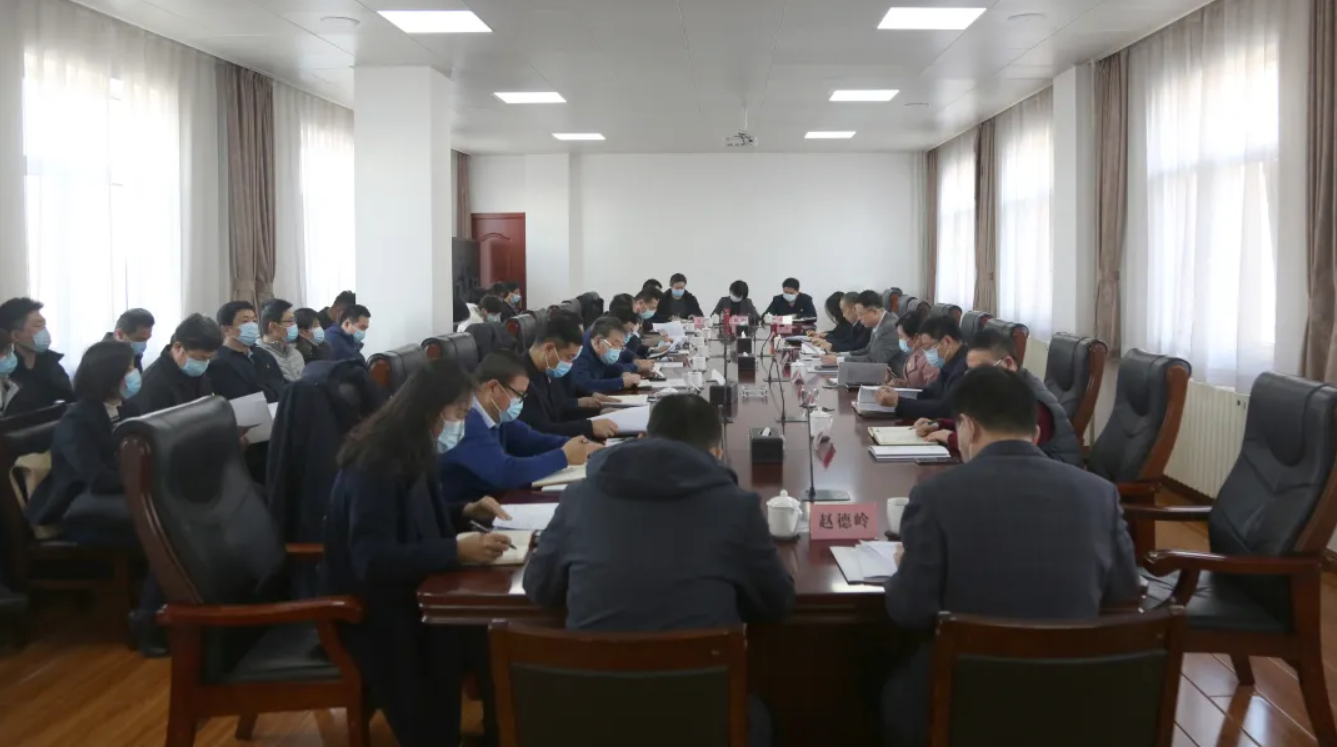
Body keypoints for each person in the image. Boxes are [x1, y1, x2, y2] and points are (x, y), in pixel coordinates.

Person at [880, 366, 1140, 747]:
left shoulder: (935, 497)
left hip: (962, 702)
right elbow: (1123, 595)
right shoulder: (1100, 494)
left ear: (967, 428)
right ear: (1034, 433)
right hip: (1072, 701)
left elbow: (908, 610)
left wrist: (905, 565)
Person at [524, 393, 793, 747]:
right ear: (716, 454)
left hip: (593, 721)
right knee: (766, 713)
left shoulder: (578, 497)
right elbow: (776, 602)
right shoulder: (736, 507)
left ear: (643, 438)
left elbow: (539, 587)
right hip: (701, 725)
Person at [323, 358, 513, 747]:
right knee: (474, 632)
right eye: (460, 412)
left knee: (493, 631)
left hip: (412, 591)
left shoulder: (408, 444)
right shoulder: (376, 463)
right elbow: (373, 559)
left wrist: (464, 511)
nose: (462, 422)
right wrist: (455, 550)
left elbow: (409, 517)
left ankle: (503, 731)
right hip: (376, 613)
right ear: (432, 410)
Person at [26, 341, 167, 656]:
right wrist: (149, 479)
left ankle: (174, 611)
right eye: (128, 369)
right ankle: (148, 620)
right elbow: (98, 478)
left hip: (121, 499)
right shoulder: (77, 420)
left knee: (178, 523)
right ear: (108, 375)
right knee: (164, 531)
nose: (134, 374)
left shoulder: (128, 408)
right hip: (80, 509)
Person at [436, 351, 601, 504]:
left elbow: (532, 439)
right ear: (493, 388)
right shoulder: (467, 420)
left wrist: (582, 446)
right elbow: (506, 472)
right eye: (518, 394)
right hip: (463, 514)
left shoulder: (497, 415)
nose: (520, 401)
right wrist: (563, 456)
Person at [913, 328, 1082, 467]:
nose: (974, 378)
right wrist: (939, 424)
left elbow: (1007, 450)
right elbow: (989, 425)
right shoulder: (1004, 390)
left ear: (1008, 363)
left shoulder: (1033, 402)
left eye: (981, 370)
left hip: (1055, 480)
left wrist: (950, 437)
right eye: (969, 370)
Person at [518, 316, 620, 440]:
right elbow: (541, 431)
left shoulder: (548, 369)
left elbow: (561, 411)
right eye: (569, 357)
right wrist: (589, 427)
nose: (570, 364)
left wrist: (598, 413)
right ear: (549, 349)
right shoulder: (520, 379)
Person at [875, 315, 967, 420]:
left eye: (928, 348)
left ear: (947, 341)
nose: (926, 354)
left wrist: (899, 402)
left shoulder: (965, 367)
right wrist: (899, 392)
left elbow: (946, 409)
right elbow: (929, 393)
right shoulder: (949, 365)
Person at [131, 313, 222, 415]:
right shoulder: (153, 385)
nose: (203, 364)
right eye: (199, 358)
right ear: (178, 347)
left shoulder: (194, 372)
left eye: (208, 359)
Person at [0, 297, 74, 417]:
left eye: (44, 325)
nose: (44, 331)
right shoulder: (5, 369)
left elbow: (71, 401)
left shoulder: (51, 364)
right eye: (38, 325)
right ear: (16, 336)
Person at [207, 300, 286, 403]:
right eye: (245, 321)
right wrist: (271, 391)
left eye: (254, 320)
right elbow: (244, 399)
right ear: (227, 330)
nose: (252, 325)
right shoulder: (219, 362)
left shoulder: (262, 353)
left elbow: (281, 384)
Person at [821, 290, 903, 372]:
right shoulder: (878, 322)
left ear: (874, 312)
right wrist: (839, 355)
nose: (859, 318)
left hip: (894, 375)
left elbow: (874, 360)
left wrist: (838, 360)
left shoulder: (889, 327)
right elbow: (867, 350)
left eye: (860, 314)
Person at [570, 316, 642, 395]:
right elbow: (584, 385)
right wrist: (622, 382)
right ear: (598, 341)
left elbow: (605, 368)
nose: (617, 350)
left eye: (620, 347)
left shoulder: (598, 350)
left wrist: (623, 371)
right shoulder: (580, 353)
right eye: (615, 345)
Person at [257, 299, 306, 383]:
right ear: (272, 326)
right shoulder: (259, 356)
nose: (294, 325)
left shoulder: (296, 353)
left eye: (294, 321)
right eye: (290, 321)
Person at [885, 315, 939, 390]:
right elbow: (913, 383)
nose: (900, 340)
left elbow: (932, 392)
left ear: (916, 337)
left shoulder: (931, 360)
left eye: (901, 337)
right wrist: (899, 383)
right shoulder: (914, 354)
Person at [104, 308, 155, 373]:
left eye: (147, 339)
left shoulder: (132, 355)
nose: (144, 345)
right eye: (139, 339)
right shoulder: (102, 362)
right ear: (119, 334)